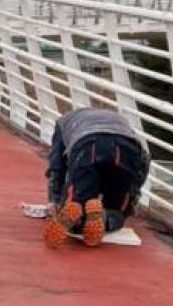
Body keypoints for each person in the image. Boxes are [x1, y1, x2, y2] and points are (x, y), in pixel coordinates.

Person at [43, 106, 150, 247]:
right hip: (126, 147)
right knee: (117, 210)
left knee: (79, 203)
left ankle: (77, 219)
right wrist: (132, 198)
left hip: (86, 144)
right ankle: (105, 217)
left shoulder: (63, 122)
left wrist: (54, 199)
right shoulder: (120, 121)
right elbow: (143, 161)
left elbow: (56, 166)